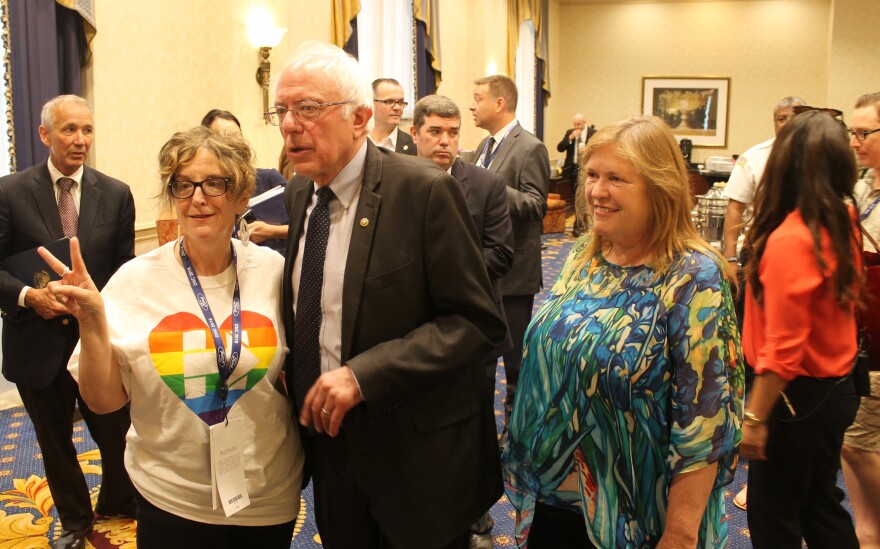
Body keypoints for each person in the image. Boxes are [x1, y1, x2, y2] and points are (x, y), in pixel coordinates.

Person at [271, 41, 506, 549]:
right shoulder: (299, 193)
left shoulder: (423, 192)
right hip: (330, 447)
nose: (291, 124)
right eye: (282, 111)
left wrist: (363, 375)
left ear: (358, 119)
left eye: (307, 109)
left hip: (414, 454)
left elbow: (476, 324)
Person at [40, 126, 304, 548]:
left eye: (214, 183)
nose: (197, 198)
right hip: (171, 496)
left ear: (241, 195)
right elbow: (102, 401)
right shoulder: (135, 281)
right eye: (183, 185)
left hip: (266, 493)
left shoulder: (276, 274)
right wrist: (92, 323)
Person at [503, 115, 743, 548]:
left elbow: (705, 424)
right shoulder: (584, 254)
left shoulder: (694, 277)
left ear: (659, 187)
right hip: (559, 496)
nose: (597, 191)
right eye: (592, 175)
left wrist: (681, 535)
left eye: (617, 178)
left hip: (639, 513)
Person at [0, 95, 136, 549]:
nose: (80, 141)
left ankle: (119, 500)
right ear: (45, 134)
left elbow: (123, 266)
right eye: (69, 130)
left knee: (116, 433)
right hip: (34, 341)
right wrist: (27, 296)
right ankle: (76, 521)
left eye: (87, 131)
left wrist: (99, 305)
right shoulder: (9, 192)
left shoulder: (115, 193)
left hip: (97, 341)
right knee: (55, 443)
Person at [740, 109, 861, 549]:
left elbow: (785, 347)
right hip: (833, 389)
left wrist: (754, 418)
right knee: (818, 504)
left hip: (795, 397)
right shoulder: (841, 219)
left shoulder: (792, 239)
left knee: (775, 517)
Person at [410, 94, 514, 548]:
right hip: (410, 330)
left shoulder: (486, 185)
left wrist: (441, 273)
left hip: (471, 329)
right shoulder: (396, 181)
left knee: (472, 428)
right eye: (435, 131)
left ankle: (478, 518)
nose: (445, 141)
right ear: (415, 134)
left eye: (453, 132)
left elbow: (501, 253)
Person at [470, 74, 550, 432]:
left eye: (478, 99)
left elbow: (535, 206)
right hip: (483, 270)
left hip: (515, 275)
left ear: (499, 103)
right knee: (481, 356)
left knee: (514, 362)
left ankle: (515, 434)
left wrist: (490, 185)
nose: (472, 106)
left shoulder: (530, 147)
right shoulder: (483, 148)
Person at [842, 91, 880, 549]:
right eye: (852, 133)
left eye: (864, 133)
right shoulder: (862, 186)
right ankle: (867, 533)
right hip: (860, 336)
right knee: (853, 444)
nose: (854, 142)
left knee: (856, 442)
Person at [723, 96, 805, 273]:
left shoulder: (818, 155)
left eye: (794, 117)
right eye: (782, 118)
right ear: (774, 122)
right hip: (760, 247)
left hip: (804, 249)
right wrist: (730, 258)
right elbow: (735, 209)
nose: (788, 123)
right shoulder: (753, 158)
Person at [200, 109, 289, 254]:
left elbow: (308, 227)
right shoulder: (201, 191)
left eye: (237, 137)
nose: (233, 145)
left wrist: (271, 231)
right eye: (224, 138)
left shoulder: (269, 178)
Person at [556, 113, 595, 237]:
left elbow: (599, 150)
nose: (576, 126)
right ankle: (579, 224)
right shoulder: (570, 132)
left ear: (584, 122)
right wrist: (570, 138)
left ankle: (579, 224)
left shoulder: (593, 133)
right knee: (574, 197)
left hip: (586, 169)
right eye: (574, 124)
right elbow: (560, 148)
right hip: (572, 169)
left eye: (579, 124)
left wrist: (588, 149)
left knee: (584, 196)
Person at [368, 77, 416, 155]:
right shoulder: (355, 141)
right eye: (389, 102)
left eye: (401, 102)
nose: (397, 107)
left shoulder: (414, 146)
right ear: (371, 103)